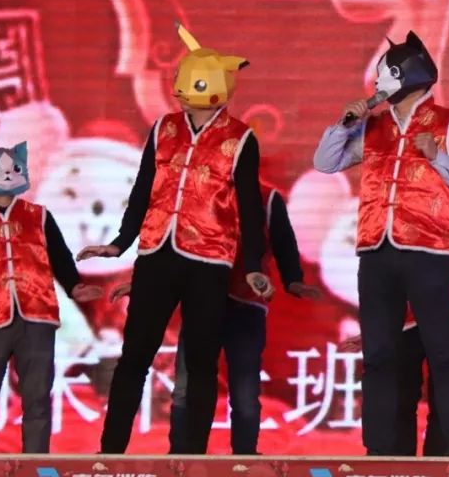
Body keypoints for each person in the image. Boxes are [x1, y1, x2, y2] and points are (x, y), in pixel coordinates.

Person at [78, 24, 269, 454]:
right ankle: (110, 452)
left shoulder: (240, 138)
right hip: (158, 252)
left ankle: (191, 457)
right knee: (135, 356)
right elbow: (143, 190)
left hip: (209, 260)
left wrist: (253, 265)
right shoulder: (163, 129)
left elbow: (249, 207)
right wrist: (120, 243)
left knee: (200, 362)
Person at [313, 31, 449, 456]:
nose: (378, 83)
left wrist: (437, 158)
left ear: (409, 75)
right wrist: (344, 124)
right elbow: (325, 163)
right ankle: (379, 450)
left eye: (386, 73)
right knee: (378, 356)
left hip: (429, 252)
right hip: (377, 252)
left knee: (443, 355)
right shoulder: (373, 127)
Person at [111, 188, 320, 455]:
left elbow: (283, 242)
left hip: (246, 304)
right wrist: (144, 282)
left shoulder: (266, 197)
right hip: (200, 301)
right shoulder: (196, 189)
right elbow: (171, 247)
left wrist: (293, 281)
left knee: (244, 391)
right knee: (185, 387)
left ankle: (244, 458)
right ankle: (181, 457)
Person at [0, 142, 100, 452]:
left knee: (37, 397)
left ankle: (34, 463)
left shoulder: (39, 216)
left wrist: (74, 286)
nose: (6, 175)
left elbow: (60, 257)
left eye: (13, 168)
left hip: (36, 315)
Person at [340, 221, 449, 455]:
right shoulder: (399, 215)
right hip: (420, 315)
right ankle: (436, 456)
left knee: (423, 386)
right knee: (430, 383)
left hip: (429, 313)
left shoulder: (394, 215)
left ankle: (417, 457)